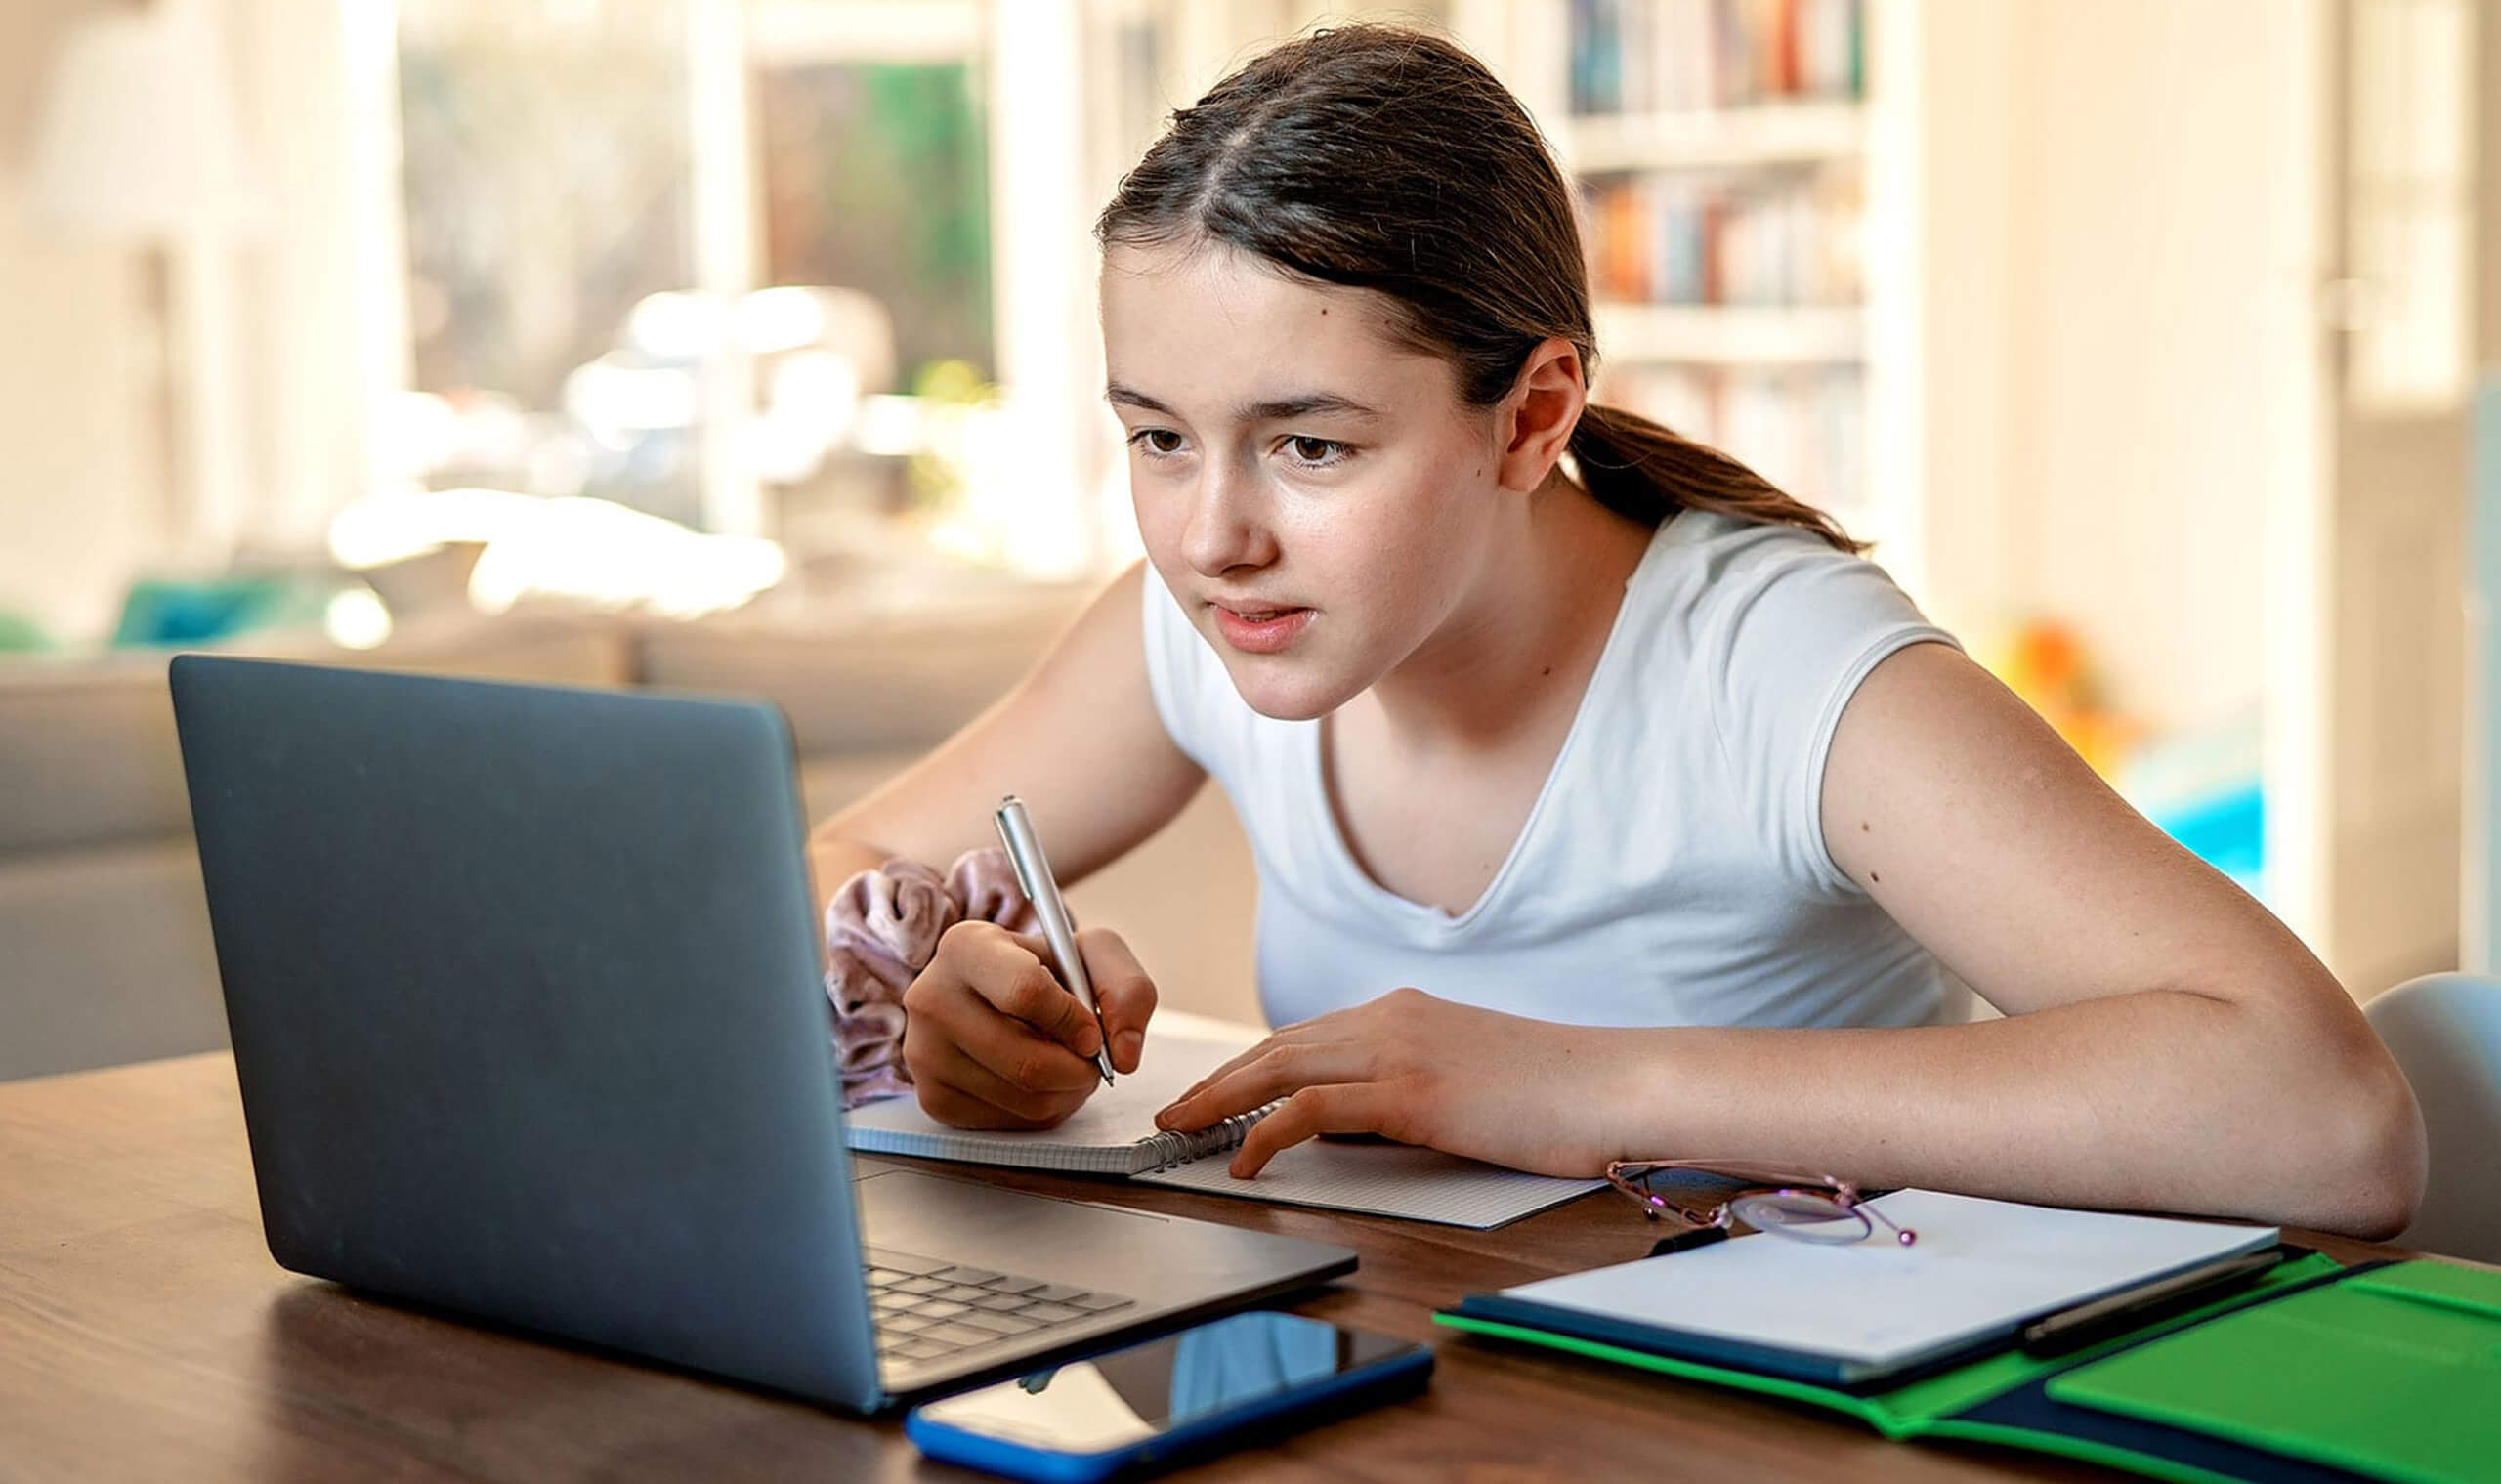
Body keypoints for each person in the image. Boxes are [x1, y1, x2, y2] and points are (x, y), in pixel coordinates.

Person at [808, 24, 2423, 1239]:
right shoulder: (1203, 624)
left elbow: (2327, 1117)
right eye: (1158, 434)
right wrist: (954, 998)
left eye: (1310, 445)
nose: (1210, 532)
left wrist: (1593, 1085)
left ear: (1533, 418)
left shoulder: (1781, 672)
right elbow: (821, 874)